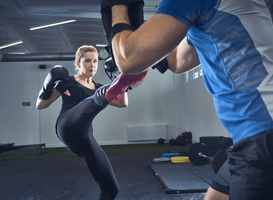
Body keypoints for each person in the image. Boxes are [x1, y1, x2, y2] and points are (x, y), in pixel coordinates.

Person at [100, 0, 273, 199]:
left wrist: (116, 6)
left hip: (263, 135)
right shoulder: (213, 12)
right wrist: (147, 51)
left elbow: (127, 59)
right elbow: (177, 61)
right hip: (253, 137)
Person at [36, 45, 145, 200]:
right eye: (87, 60)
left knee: (111, 189)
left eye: (95, 61)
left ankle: (121, 81)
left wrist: (121, 82)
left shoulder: (97, 87)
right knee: (97, 99)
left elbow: (122, 104)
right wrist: (48, 84)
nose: (92, 64)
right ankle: (122, 81)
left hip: (85, 136)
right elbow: (41, 105)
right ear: (79, 63)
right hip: (67, 125)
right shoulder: (67, 82)